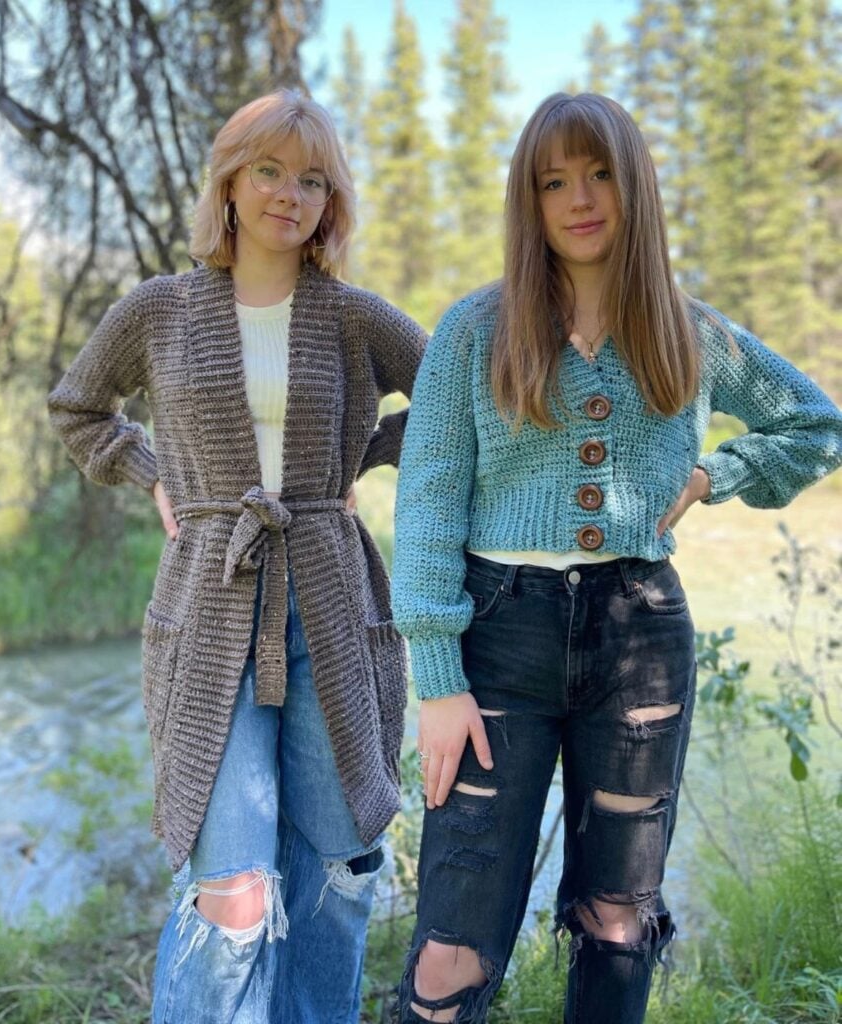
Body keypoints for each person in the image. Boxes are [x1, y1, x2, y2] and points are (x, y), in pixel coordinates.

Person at [390, 92, 842, 1024]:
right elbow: (428, 503)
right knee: (453, 942)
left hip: (641, 635)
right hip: (497, 637)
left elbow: (816, 422)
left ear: (634, 184)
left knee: (617, 917)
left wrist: (721, 471)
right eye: (554, 180)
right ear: (530, 199)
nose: (579, 198)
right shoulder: (475, 331)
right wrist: (436, 679)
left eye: (599, 173)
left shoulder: (688, 328)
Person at [48, 89, 426, 1024]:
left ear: (329, 202)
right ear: (229, 179)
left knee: (335, 865)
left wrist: (365, 458)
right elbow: (79, 408)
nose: (287, 195)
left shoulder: (354, 317)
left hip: (332, 607)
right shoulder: (161, 310)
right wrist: (152, 471)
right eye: (268, 170)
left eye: (310, 180)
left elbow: (459, 405)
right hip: (212, 607)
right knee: (235, 896)